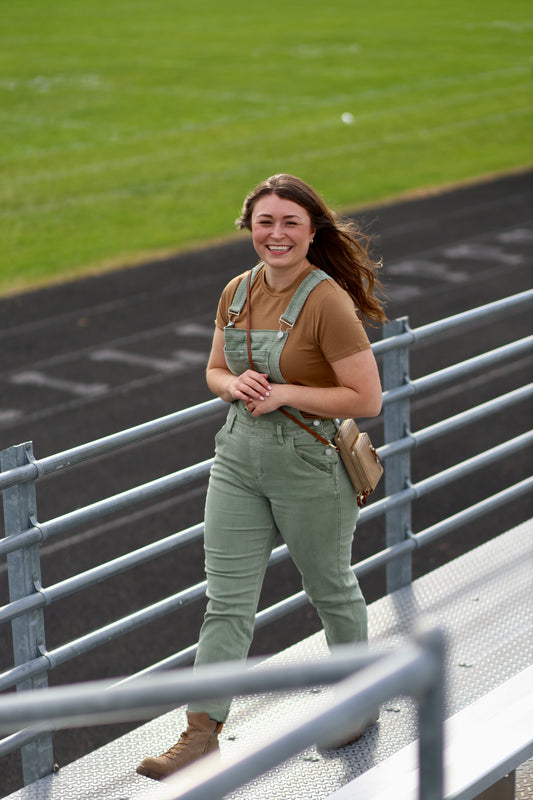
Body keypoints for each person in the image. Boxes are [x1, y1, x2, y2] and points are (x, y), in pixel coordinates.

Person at [136, 173, 387, 781]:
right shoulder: (237, 291)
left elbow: (367, 397)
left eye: (289, 223)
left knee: (328, 586)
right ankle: (200, 735)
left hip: (308, 464)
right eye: (265, 222)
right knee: (225, 601)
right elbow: (216, 372)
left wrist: (284, 393)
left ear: (311, 232)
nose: (275, 234)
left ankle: (358, 699)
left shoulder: (327, 300)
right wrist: (234, 385)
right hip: (237, 460)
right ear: (250, 227)